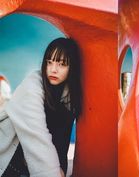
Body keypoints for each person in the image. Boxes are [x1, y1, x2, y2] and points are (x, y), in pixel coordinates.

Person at [0, 37, 82, 177]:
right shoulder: (32, 85)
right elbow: (36, 134)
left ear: (72, 67)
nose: (53, 70)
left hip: (33, 167)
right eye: (49, 62)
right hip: (9, 161)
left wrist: (60, 168)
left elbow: (62, 140)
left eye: (62, 64)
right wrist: (52, 172)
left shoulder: (68, 96)